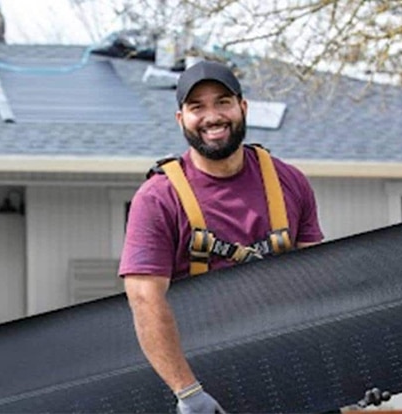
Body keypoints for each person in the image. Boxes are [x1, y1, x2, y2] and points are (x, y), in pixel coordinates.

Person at [118, 60, 324, 414]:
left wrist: (349, 370)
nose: (212, 116)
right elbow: (144, 298)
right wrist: (189, 393)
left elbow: (317, 281)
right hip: (208, 385)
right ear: (180, 119)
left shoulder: (290, 182)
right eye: (197, 107)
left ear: (243, 108)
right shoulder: (158, 198)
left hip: (293, 374)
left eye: (223, 102)